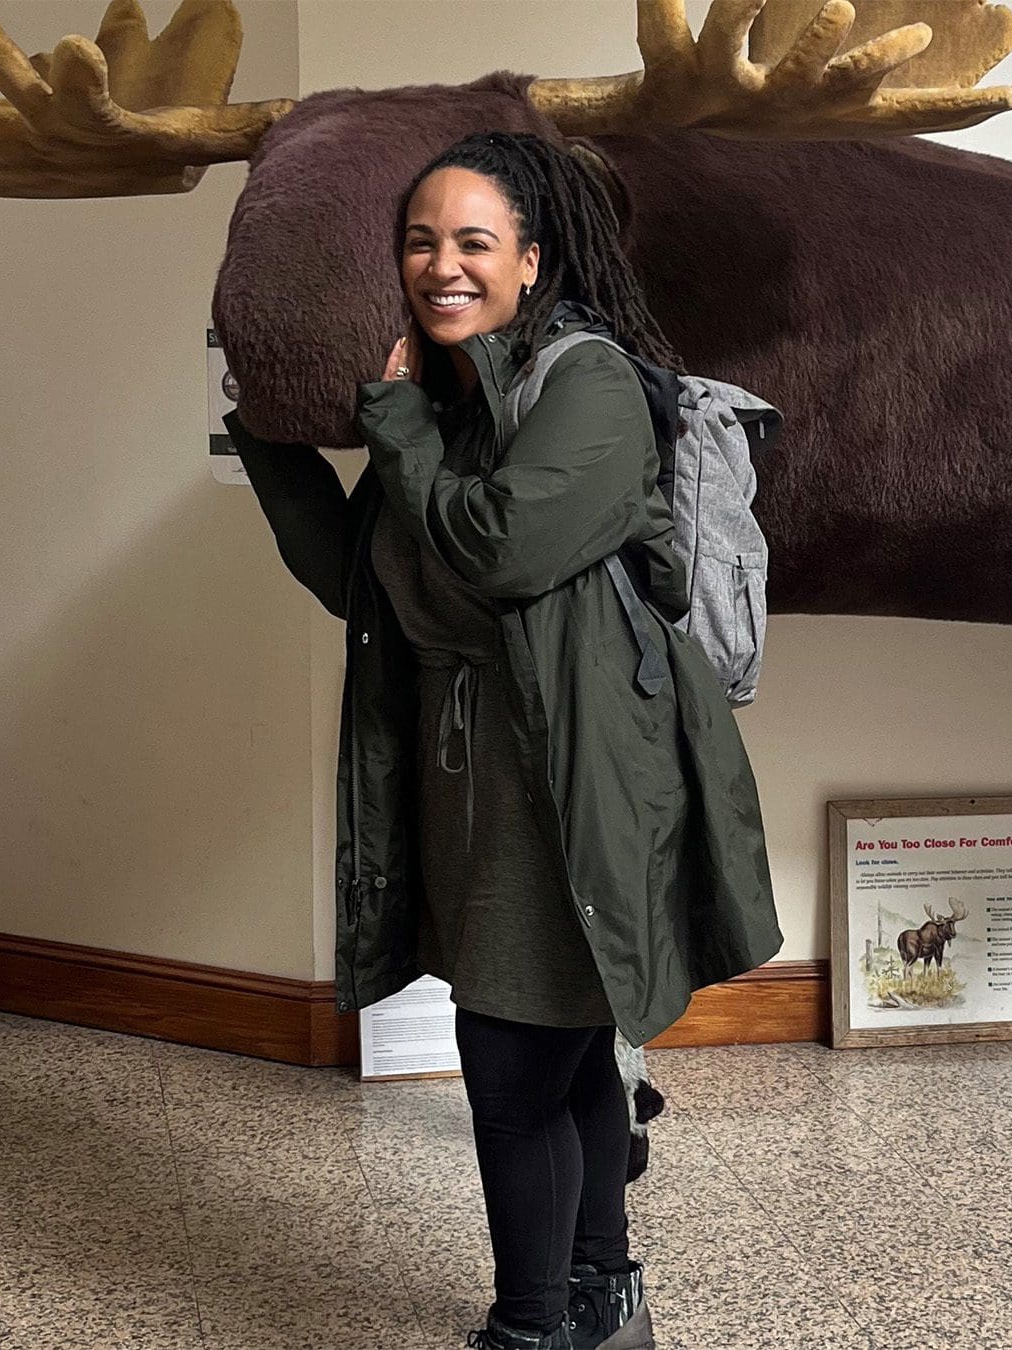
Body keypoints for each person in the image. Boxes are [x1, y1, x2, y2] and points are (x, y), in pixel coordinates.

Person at [224, 130, 784, 1350]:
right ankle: (600, 1300)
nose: (441, 265)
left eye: (473, 241)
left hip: (568, 773)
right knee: (564, 1042)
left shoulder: (586, 383)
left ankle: (530, 1328)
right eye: (420, 242)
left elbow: (502, 550)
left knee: (513, 1057)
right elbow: (363, 578)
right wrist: (265, 439)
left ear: (529, 259)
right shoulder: (454, 400)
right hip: (475, 770)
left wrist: (398, 429)